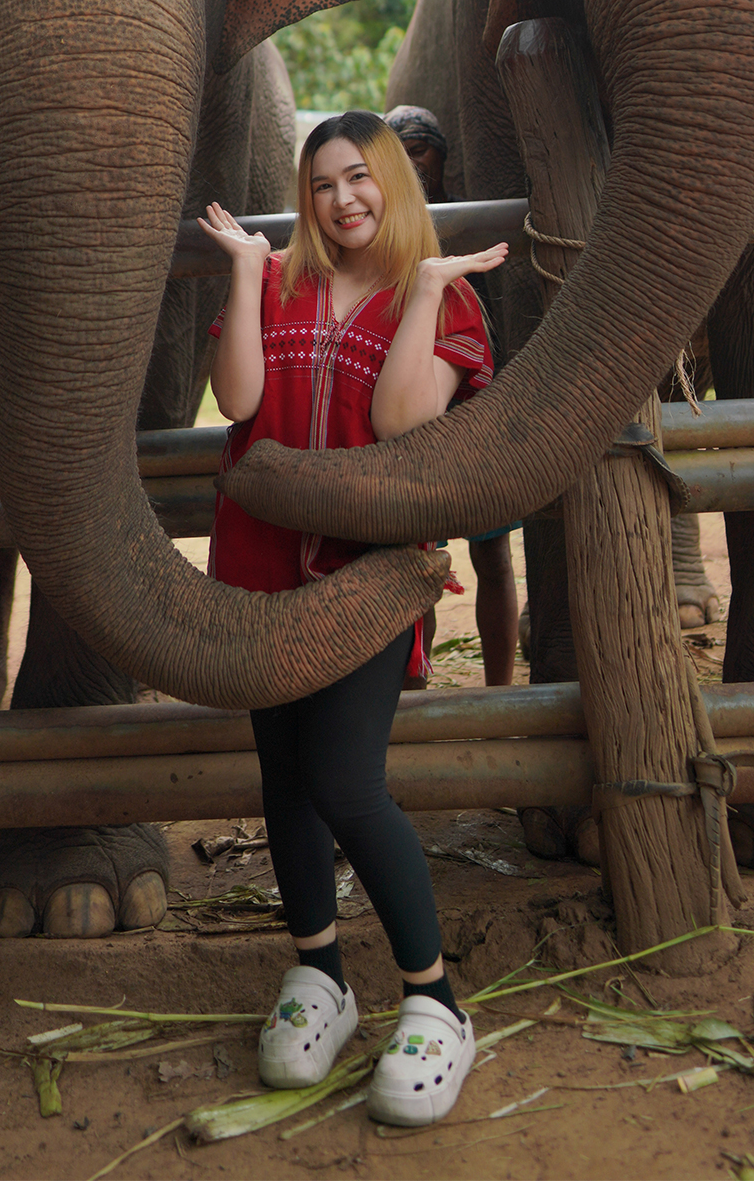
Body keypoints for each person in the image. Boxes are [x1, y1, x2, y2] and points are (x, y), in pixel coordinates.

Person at [199, 110, 507, 1128]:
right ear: (307, 195)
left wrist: (420, 293)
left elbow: (401, 423)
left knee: (344, 781)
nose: (345, 199)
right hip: (258, 575)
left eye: (362, 178)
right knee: (285, 783)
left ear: (395, 186)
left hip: (372, 582)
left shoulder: (448, 297)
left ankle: (436, 1001)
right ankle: (319, 975)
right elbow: (239, 398)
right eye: (325, 182)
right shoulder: (280, 284)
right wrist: (246, 272)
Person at [384, 105, 522, 688]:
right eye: (402, 153)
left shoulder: (472, 221)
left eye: (422, 150)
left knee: (492, 559)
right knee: (420, 563)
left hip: (479, 416)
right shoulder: (386, 235)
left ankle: (499, 689)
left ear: (443, 156)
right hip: (418, 426)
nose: (414, 163)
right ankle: (417, 685)